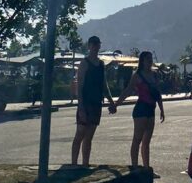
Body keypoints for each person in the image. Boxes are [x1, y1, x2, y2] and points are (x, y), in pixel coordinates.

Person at [71, 36, 116, 166]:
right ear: (89, 46)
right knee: (80, 133)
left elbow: (104, 84)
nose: (96, 46)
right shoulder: (84, 63)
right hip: (86, 103)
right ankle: (73, 164)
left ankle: (85, 163)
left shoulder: (101, 64)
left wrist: (111, 101)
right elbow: (80, 85)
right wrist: (80, 107)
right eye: (94, 44)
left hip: (96, 103)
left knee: (89, 136)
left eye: (98, 44)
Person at [116, 50, 165, 169]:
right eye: (148, 59)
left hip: (151, 110)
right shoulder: (137, 75)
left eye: (151, 59)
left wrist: (162, 109)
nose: (150, 61)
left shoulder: (154, 75)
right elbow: (127, 91)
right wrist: (116, 104)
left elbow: (157, 93)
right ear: (142, 61)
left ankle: (146, 168)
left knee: (146, 142)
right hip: (141, 110)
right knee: (137, 139)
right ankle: (134, 167)